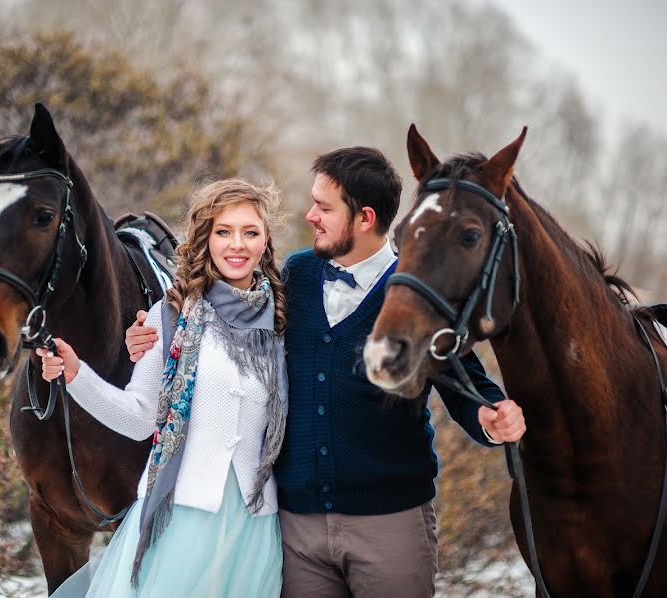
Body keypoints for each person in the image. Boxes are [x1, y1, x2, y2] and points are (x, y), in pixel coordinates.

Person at [125, 148, 526, 598]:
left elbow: (462, 377)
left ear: (364, 217)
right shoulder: (296, 275)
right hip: (298, 533)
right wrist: (152, 335)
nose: (310, 215)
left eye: (324, 207)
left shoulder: (416, 289)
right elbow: (221, 317)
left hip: (390, 526)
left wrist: (490, 417)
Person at [40, 178, 288, 597]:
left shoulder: (281, 323)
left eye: (250, 232)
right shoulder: (171, 317)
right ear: (205, 239)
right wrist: (76, 374)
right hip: (181, 518)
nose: (237, 245)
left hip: (255, 524)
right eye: (223, 232)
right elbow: (138, 417)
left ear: (266, 241)